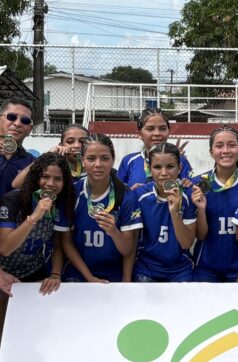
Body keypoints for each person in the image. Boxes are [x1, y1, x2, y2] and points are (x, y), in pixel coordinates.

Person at [0, 152, 70, 355]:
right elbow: (5, 247)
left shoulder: (61, 204)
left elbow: (59, 244)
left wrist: (55, 273)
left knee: (33, 333)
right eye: (45, 177)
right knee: (3, 333)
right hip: (0, 272)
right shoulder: (13, 200)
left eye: (57, 179)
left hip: (33, 271)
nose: (50, 184)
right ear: (34, 177)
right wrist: (35, 216)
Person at [121, 142, 203, 282]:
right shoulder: (139, 195)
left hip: (180, 269)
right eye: (157, 167)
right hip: (146, 268)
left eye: (170, 167)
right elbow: (132, 240)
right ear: (149, 168)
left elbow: (186, 244)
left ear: (179, 168)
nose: (164, 173)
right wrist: (126, 278)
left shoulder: (188, 196)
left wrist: (175, 213)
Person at [62, 133, 134, 285]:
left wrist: (113, 231)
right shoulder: (71, 193)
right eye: (91, 158)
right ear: (82, 160)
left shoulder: (126, 196)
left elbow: (127, 250)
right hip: (78, 270)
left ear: (113, 159)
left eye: (105, 158)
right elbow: (65, 242)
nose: (98, 164)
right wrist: (89, 277)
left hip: (113, 271)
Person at [192, 126, 238, 283]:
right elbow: (200, 235)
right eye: (219, 146)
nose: (226, 150)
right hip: (206, 267)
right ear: (211, 152)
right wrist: (201, 210)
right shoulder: (198, 184)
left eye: (231, 145)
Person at [117, 109, 193, 188]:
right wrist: (132, 193)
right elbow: (118, 192)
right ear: (139, 134)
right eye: (150, 129)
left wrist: (182, 187)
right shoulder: (129, 161)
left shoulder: (181, 161)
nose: (157, 133)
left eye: (162, 128)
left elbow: (191, 190)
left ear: (168, 131)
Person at [0, 98, 37, 201]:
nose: (17, 123)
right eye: (12, 117)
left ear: (30, 129)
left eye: (25, 120)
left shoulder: (32, 163)